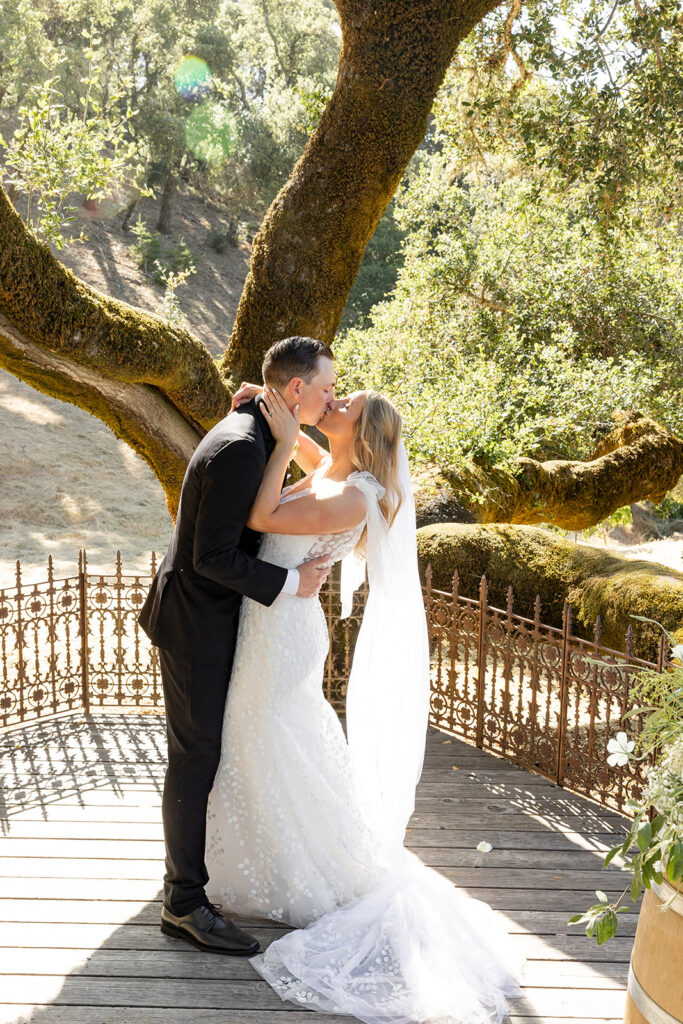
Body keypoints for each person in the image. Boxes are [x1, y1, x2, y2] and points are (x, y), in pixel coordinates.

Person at [204, 383, 521, 1023]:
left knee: (269, 734)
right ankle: (268, 853)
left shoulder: (354, 495)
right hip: (271, 626)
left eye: (345, 404)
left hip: (283, 635)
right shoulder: (335, 472)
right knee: (268, 738)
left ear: (365, 428)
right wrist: (273, 418)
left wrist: (288, 437)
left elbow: (264, 518)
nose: (335, 403)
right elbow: (304, 474)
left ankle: (317, 866)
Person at [137, 336, 338, 956]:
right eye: (326, 387)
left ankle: (191, 889)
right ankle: (185, 904)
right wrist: (291, 581)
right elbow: (211, 555)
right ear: (295, 389)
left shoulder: (259, 434)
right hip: (195, 625)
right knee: (194, 757)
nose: (331, 396)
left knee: (202, 754)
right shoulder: (240, 448)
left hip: (213, 620)